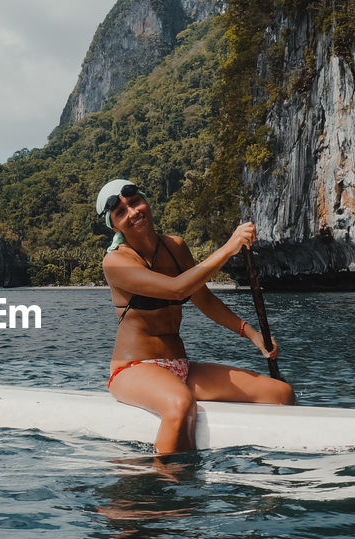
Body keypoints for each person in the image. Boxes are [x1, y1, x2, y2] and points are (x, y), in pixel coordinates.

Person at [97, 178, 296, 454]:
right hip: (133, 369)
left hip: (182, 368)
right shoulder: (116, 262)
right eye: (120, 212)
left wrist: (254, 336)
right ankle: (169, 486)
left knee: (281, 394)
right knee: (180, 404)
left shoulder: (175, 247)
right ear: (114, 225)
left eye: (135, 202)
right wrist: (230, 247)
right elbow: (177, 289)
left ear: (145, 201)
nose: (132, 212)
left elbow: (203, 298)